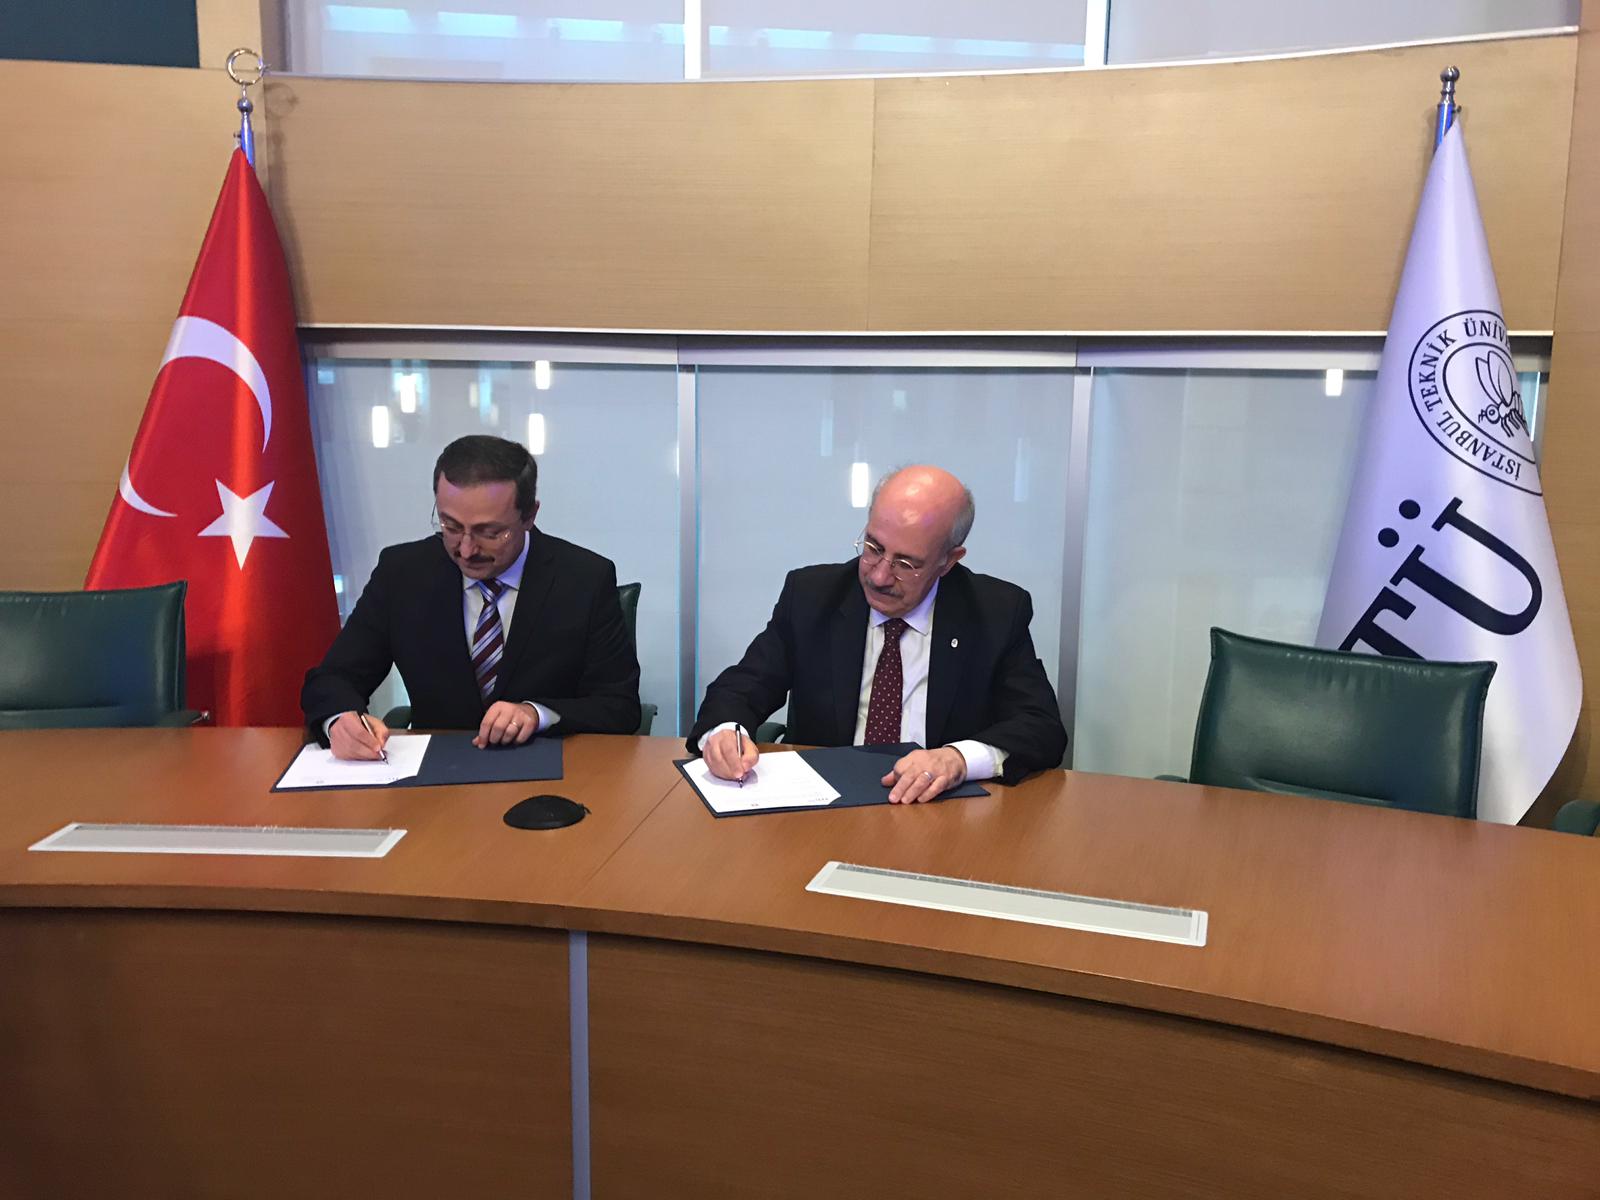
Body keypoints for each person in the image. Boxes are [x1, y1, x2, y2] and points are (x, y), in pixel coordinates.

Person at [689, 465, 1067, 802]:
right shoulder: (812, 597)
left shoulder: (995, 612)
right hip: (824, 812)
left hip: (939, 812)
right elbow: (739, 689)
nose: (879, 575)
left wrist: (958, 759)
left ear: (948, 560)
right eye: (873, 547)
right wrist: (725, 734)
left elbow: (1041, 727)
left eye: (906, 563)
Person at [302, 434, 641, 759]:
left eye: (489, 532)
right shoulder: (402, 574)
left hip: (551, 772)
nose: (466, 550)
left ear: (529, 515)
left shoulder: (584, 579)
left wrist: (536, 714)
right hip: (435, 773)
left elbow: (619, 707)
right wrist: (339, 720)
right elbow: (333, 678)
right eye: (450, 527)